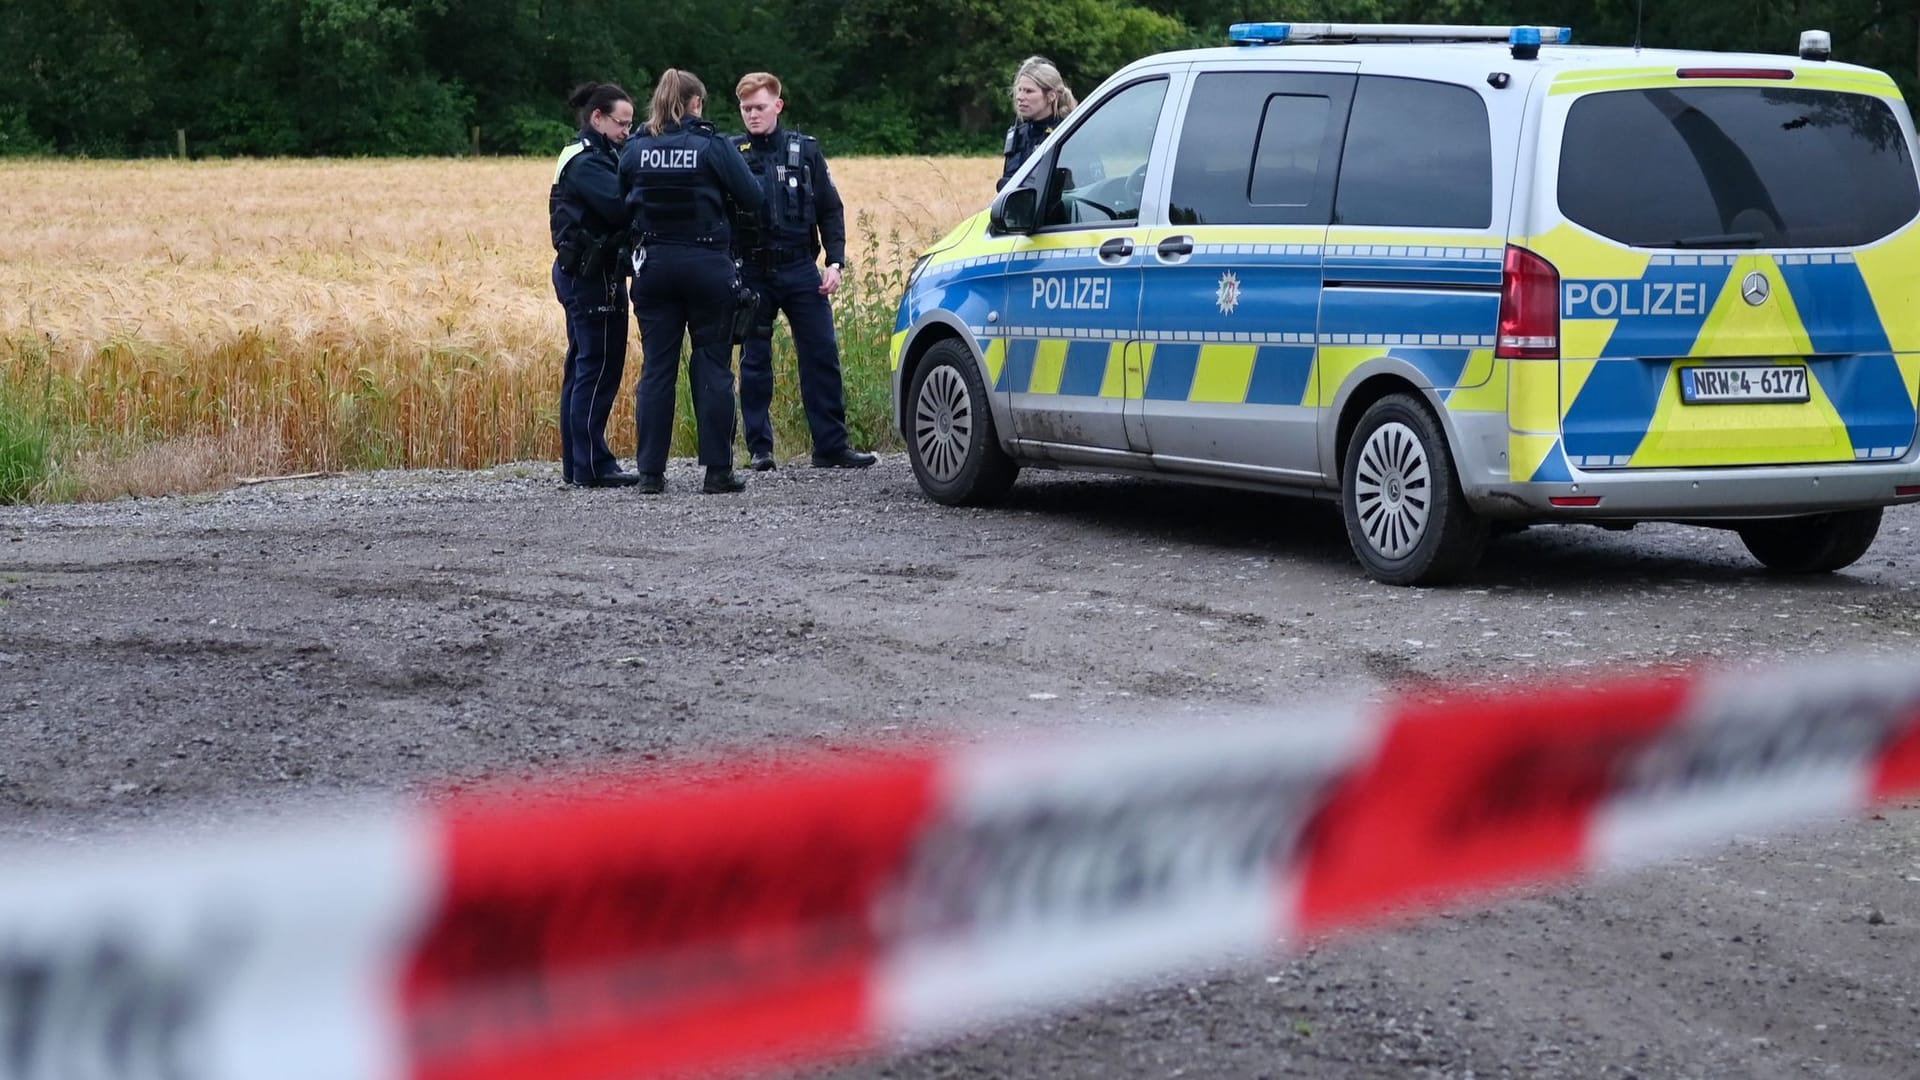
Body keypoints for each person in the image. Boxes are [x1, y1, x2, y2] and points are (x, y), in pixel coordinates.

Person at [620, 69, 763, 494]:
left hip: (655, 266)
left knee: (657, 369)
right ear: (696, 103)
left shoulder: (637, 147)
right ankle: (718, 471)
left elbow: (621, 201)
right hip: (707, 266)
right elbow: (753, 198)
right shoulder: (712, 146)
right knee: (713, 367)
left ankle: (649, 474)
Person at [731, 72, 877, 472]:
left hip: (799, 267)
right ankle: (760, 449)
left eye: (759, 107)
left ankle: (831, 446)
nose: (752, 115)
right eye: (746, 109)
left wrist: (835, 261)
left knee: (821, 355)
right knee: (755, 361)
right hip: (754, 270)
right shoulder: (731, 152)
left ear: (778, 106)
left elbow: (830, 208)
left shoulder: (805, 151)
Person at [550, 82, 639, 486]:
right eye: (622, 123)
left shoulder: (587, 153)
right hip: (592, 276)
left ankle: (580, 464)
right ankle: (592, 466)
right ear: (598, 117)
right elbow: (619, 207)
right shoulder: (588, 162)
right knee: (598, 368)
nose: (627, 131)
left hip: (584, 273)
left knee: (583, 367)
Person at [997, 56, 1077, 192]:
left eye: (1028, 91)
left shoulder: (1068, 134)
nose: (1020, 97)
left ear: (1051, 96)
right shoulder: (1019, 134)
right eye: (1020, 90)